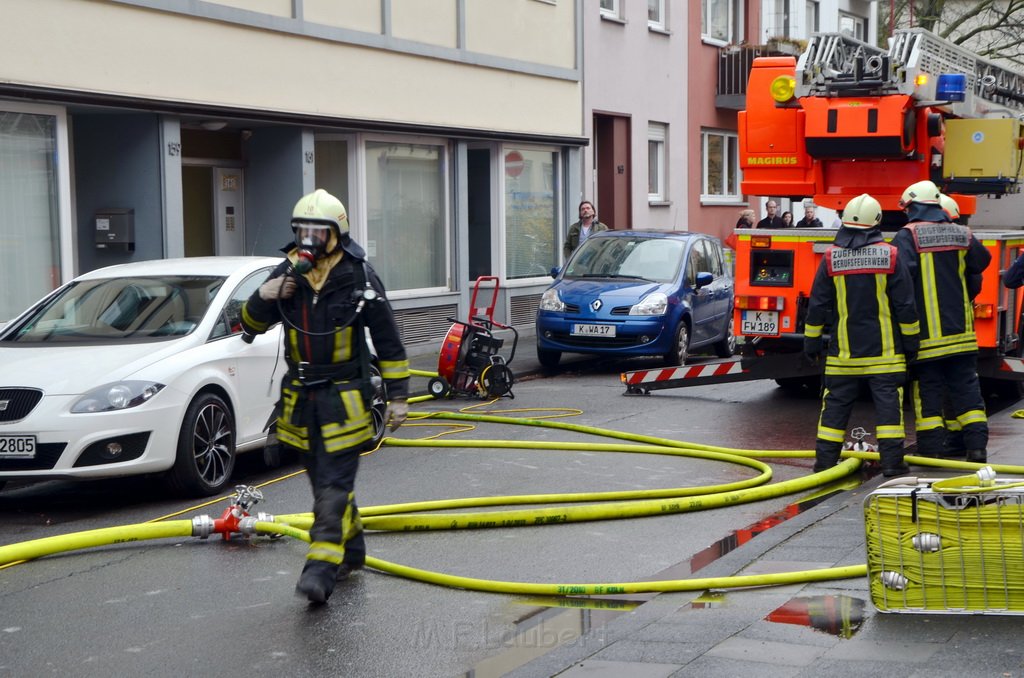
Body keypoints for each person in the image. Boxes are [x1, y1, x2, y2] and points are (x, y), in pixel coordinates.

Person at [241, 188, 410, 604]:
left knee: (334, 486)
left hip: (344, 398)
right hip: (300, 401)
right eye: (302, 230)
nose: (309, 238)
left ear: (337, 233)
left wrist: (399, 396)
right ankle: (353, 551)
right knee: (324, 485)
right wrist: (262, 297)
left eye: (319, 230)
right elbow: (249, 326)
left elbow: (388, 339)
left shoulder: (359, 276)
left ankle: (320, 569)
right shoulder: (286, 272)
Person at [803, 193, 920, 477]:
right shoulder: (890, 255)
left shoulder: (831, 257)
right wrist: (911, 343)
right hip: (885, 355)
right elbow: (905, 304)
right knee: (889, 411)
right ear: (877, 221)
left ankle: (824, 465)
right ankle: (892, 463)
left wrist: (812, 343)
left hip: (843, 355)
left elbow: (818, 304)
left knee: (834, 411)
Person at [892, 180, 992, 463]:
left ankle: (931, 451)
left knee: (928, 393)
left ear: (914, 206)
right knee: (967, 390)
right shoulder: (962, 233)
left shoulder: (907, 236)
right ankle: (976, 449)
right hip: (961, 335)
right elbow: (981, 263)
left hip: (926, 339)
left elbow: (900, 283)